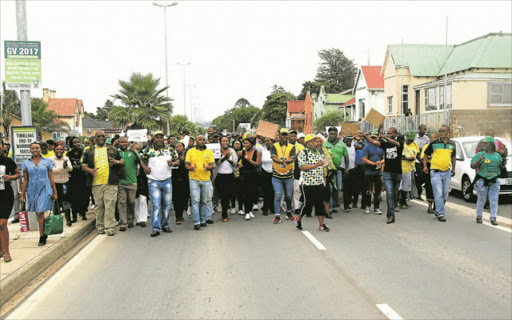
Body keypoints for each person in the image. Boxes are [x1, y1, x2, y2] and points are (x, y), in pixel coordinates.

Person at [82, 130, 124, 236]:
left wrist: (116, 162)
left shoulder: (113, 149)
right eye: (98, 136)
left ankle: (110, 227)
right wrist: (90, 170)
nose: (101, 138)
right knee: (99, 205)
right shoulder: (88, 151)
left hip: (111, 181)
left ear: (105, 138)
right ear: (95, 139)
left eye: (102, 136)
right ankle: (100, 226)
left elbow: (123, 161)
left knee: (110, 204)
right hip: (96, 183)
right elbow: (83, 165)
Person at [363, 126, 404, 224]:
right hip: (387, 172)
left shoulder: (400, 142)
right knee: (389, 194)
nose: (389, 135)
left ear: (395, 134)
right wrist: (365, 136)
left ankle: (392, 208)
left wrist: (386, 137)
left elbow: (397, 144)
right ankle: (390, 215)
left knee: (394, 194)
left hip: (397, 172)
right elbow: (374, 142)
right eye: (388, 133)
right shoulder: (385, 144)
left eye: (391, 134)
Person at [20, 141, 58, 246]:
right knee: (38, 212)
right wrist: (22, 194)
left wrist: (55, 192)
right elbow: (25, 180)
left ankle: (41, 236)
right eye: (32, 148)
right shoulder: (26, 163)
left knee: (40, 212)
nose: (35, 150)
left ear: (40, 149)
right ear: (30, 150)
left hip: (45, 188)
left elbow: (51, 177)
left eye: (37, 148)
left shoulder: (47, 161)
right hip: (32, 189)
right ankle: (44, 230)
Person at [140, 131, 177, 237]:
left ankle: (165, 225)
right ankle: (156, 228)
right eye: (157, 137)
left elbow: (177, 160)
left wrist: (172, 163)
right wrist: (145, 168)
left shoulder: (169, 150)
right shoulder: (148, 150)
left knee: (167, 205)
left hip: (167, 180)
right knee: (156, 205)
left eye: (161, 137)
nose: (159, 139)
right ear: (153, 139)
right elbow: (142, 160)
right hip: (153, 181)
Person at [295, 134, 330, 232]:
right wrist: (315, 165)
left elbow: (323, 167)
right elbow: (302, 167)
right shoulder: (303, 153)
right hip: (307, 183)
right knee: (308, 204)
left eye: (315, 141)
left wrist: (324, 180)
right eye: (312, 141)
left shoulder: (319, 152)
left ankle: (322, 225)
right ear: (307, 143)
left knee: (320, 203)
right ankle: (298, 219)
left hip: (319, 182)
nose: (314, 143)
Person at [422, 125, 456, 222]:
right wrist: (425, 166)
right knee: (438, 193)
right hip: (435, 171)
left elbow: (453, 157)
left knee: (445, 194)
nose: (441, 133)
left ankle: (438, 209)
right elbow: (425, 154)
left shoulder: (452, 144)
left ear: (448, 132)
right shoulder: (434, 143)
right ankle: (441, 213)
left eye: (443, 131)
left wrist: (453, 168)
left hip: (447, 171)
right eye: (440, 131)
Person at [186, 135, 215, 229]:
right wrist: (191, 168)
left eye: (203, 140)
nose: (202, 141)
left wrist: (207, 167)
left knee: (204, 201)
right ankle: (196, 222)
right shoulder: (190, 152)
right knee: (195, 201)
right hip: (194, 179)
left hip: (206, 180)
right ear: (196, 141)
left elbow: (212, 165)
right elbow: (186, 165)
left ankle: (203, 220)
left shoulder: (209, 152)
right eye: (200, 139)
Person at [471, 136, 501, 226]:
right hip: (482, 180)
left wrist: (503, 164)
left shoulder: (497, 156)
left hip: (494, 180)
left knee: (494, 199)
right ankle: (479, 216)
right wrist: (479, 160)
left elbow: (500, 166)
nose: (483, 145)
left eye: (486, 143)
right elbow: (473, 166)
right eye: (483, 143)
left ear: (491, 145)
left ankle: (493, 218)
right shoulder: (480, 154)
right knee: (481, 199)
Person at [0, 139, 21, 262]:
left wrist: (10, 177)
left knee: (2, 224)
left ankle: (7, 252)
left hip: (5, 195)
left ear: (2, 147)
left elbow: (17, 174)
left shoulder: (7, 161)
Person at [270, 128, 296, 223]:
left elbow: (293, 158)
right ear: (279, 136)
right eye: (283, 135)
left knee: (289, 196)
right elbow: (273, 157)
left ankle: (289, 213)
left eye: (286, 135)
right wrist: (281, 161)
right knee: (278, 195)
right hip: (276, 176)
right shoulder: (274, 146)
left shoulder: (292, 146)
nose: (284, 137)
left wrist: (287, 161)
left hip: (288, 176)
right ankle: (277, 216)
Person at [117, 137, 141, 231]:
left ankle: (130, 219)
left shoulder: (132, 152)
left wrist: (135, 152)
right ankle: (123, 222)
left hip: (132, 181)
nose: (123, 144)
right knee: (122, 202)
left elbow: (140, 161)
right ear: (118, 143)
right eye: (121, 142)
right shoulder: (116, 152)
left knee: (131, 201)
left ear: (128, 143)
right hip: (120, 182)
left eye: (125, 142)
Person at [323, 127, 349, 212]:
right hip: (328, 170)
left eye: (334, 134)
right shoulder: (324, 144)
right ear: (328, 134)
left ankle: (334, 204)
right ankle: (329, 207)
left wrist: (347, 167)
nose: (332, 135)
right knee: (330, 188)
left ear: (337, 135)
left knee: (337, 188)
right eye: (330, 134)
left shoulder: (342, 144)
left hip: (338, 169)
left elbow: (346, 156)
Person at [213, 136, 238, 222]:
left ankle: (224, 214)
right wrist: (224, 158)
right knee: (221, 195)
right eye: (223, 141)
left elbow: (235, 162)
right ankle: (222, 212)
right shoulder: (217, 151)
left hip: (230, 176)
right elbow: (215, 163)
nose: (225, 142)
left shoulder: (232, 151)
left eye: (227, 141)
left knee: (227, 196)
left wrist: (229, 159)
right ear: (220, 142)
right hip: (219, 176)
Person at [237, 137, 261, 221]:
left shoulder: (257, 153)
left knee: (252, 193)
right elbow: (238, 162)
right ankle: (246, 212)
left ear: (252, 144)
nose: (245, 145)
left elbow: (257, 164)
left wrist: (249, 160)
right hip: (244, 174)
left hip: (253, 174)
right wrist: (239, 165)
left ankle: (250, 210)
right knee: (244, 193)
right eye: (244, 143)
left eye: (247, 143)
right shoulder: (241, 153)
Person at [361, 130, 384, 214]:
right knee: (368, 191)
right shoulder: (366, 147)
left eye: (375, 137)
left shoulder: (381, 147)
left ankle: (376, 208)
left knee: (377, 192)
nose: (374, 139)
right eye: (372, 138)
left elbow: (384, 158)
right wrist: (374, 163)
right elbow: (364, 159)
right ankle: (367, 206)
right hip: (368, 172)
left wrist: (380, 162)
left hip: (378, 173)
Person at [50, 145, 73, 226]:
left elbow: (71, 169)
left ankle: (68, 220)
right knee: (56, 202)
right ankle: (56, 222)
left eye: (61, 149)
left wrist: (66, 166)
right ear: (54, 150)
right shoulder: (51, 159)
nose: (59, 151)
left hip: (64, 182)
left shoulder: (66, 158)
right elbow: (51, 170)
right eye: (57, 149)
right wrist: (62, 167)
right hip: (55, 183)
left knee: (65, 201)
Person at [67, 137, 88, 222]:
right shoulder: (68, 154)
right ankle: (74, 216)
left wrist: (77, 167)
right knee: (73, 198)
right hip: (72, 179)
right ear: (71, 144)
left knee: (83, 197)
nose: (77, 144)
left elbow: (85, 164)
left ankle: (83, 214)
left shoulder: (83, 153)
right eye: (75, 143)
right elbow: (68, 166)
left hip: (82, 178)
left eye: (78, 142)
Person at [398, 130, 418, 209]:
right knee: (399, 186)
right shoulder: (401, 144)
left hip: (409, 169)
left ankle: (403, 200)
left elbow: (415, 156)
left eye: (411, 140)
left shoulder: (415, 144)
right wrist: (408, 158)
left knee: (406, 187)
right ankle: (398, 201)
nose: (410, 141)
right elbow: (402, 156)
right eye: (409, 140)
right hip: (399, 168)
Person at [172, 142, 189, 225]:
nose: (178, 148)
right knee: (176, 199)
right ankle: (177, 216)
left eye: (180, 146)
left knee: (184, 198)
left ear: (183, 148)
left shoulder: (187, 156)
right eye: (176, 146)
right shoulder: (173, 156)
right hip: (175, 180)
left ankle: (181, 214)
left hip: (186, 179)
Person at [421, 133, 438, 214]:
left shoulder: (439, 147)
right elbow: (422, 157)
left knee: (437, 187)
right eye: (431, 137)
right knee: (429, 186)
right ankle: (430, 206)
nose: (432, 139)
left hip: (437, 167)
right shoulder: (426, 147)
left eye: (434, 137)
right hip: (428, 166)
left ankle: (437, 206)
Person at [341, 136, 359, 212]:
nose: (348, 141)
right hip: (344, 169)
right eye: (347, 139)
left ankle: (348, 203)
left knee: (351, 188)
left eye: (350, 139)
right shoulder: (343, 146)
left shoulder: (353, 146)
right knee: (346, 188)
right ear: (345, 139)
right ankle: (345, 205)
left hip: (352, 169)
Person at [289, 131, 305, 216]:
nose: (293, 138)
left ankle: (297, 207)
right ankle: (288, 205)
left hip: (297, 171)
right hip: (287, 170)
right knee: (288, 190)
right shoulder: (285, 146)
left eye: (294, 136)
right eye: (291, 136)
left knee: (297, 189)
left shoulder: (300, 146)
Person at [260, 137, 275, 216]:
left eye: (268, 140)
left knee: (273, 191)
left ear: (272, 141)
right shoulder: (262, 150)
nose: (267, 142)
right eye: (265, 141)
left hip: (274, 172)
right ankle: (265, 208)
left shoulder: (276, 149)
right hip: (265, 172)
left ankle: (272, 207)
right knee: (266, 191)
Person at [415, 125, 430, 200]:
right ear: (419, 129)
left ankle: (419, 192)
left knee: (424, 177)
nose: (424, 131)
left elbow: (427, 148)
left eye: (425, 129)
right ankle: (417, 193)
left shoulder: (426, 138)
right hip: (416, 159)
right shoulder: (415, 137)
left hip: (423, 158)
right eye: (423, 129)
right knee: (419, 176)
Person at [231, 140, 244, 215]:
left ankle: (240, 208)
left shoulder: (243, 152)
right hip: (232, 174)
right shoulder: (231, 152)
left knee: (240, 192)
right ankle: (233, 207)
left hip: (241, 174)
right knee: (232, 192)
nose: (237, 145)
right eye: (235, 144)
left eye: (238, 144)